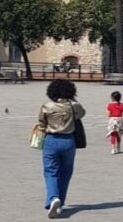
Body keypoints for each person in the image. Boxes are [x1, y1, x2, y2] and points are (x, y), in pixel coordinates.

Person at [36, 79, 86, 219]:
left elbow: (41, 124)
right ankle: (60, 203)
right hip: (69, 140)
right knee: (66, 173)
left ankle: (53, 198)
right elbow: (82, 114)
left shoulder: (47, 106)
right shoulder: (74, 106)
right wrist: (72, 100)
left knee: (51, 172)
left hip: (51, 140)